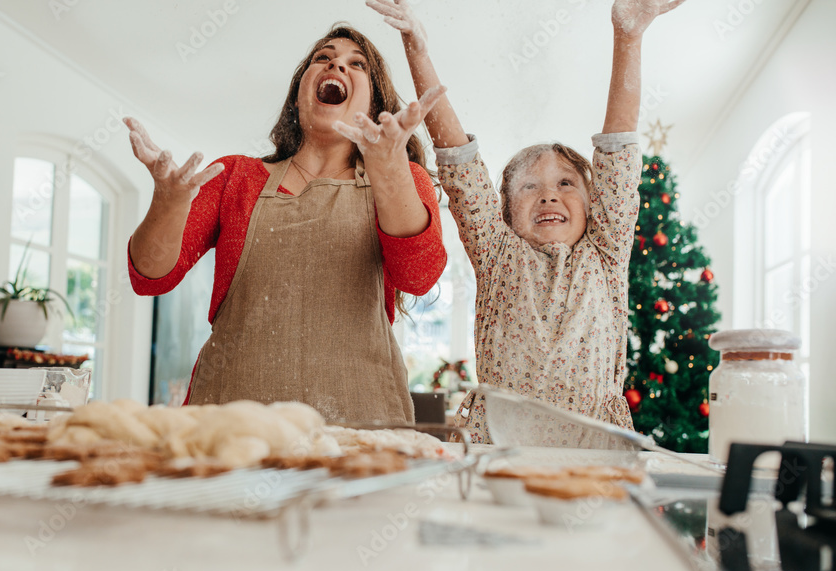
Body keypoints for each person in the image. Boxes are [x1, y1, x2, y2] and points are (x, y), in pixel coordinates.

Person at [367, 0, 686, 442]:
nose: (549, 194)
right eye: (530, 187)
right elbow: (459, 164)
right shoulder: (498, 253)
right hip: (496, 449)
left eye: (566, 184)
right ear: (505, 213)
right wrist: (417, 49)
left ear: (596, 206)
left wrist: (627, 37)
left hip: (593, 453)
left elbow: (619, 154)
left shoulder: (606, 253)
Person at [125, 24, 448, 423]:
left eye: (356, 64)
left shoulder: (402, 179)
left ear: (373, 103)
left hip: (361, 427)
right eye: (323, 58)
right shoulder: (234, 177)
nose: (336, 65)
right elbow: (150, 276)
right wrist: (168, 203)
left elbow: (419, 275)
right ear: (298, 96)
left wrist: (390, 168)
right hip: (232, 427)